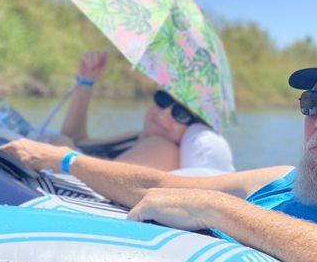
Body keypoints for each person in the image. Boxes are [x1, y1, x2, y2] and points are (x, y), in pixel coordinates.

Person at [1, 36, 317, 262]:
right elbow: (162, 186)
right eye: (314, 103)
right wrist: (62, 160)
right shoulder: (277, 181)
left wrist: (223, 211)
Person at [46, 50, 234, 173]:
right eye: (163, 99)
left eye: (181, 113)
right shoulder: (139, 138)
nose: (164, 113)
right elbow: (78, 140)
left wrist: (64, 149)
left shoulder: (163, 148)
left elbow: (94, 184)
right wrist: (87, 80)